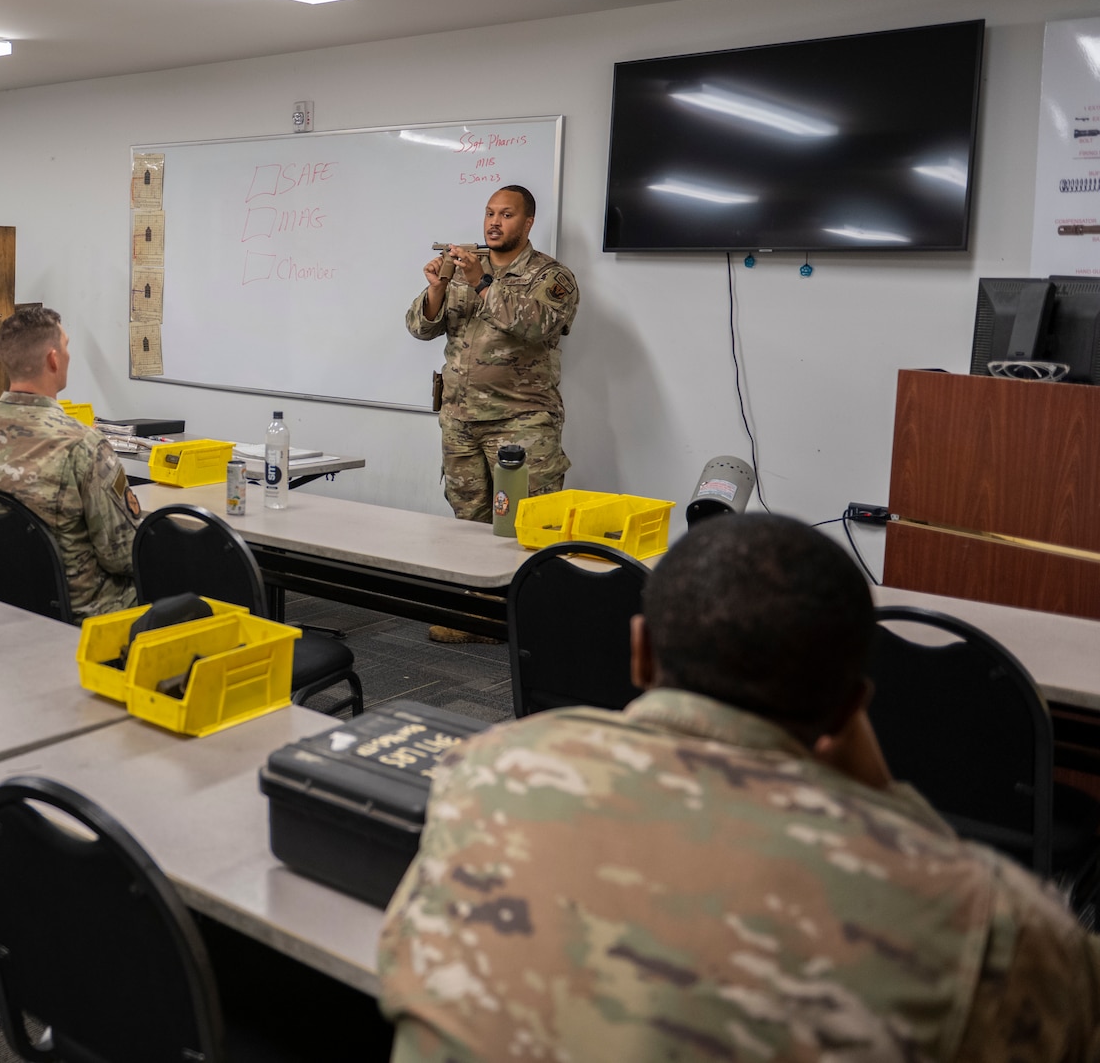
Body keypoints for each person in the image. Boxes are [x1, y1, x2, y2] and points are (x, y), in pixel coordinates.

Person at [377, 514, 1100, 1061]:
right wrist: (887, 803)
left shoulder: (489, 769)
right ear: (856, 704)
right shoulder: (988, 924)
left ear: (639, 651)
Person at [0, 304, 139, 617]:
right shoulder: (83, 446)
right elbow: (122, 555)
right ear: (53, 359)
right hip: (78, 617)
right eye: (66, 347)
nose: (68, 355)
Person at [405, 184, 578, 523]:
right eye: (490, 213)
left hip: (521, 423)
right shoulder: (460, 268)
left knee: (526, 526)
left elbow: (536, 326)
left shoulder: (551, 276)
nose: (494, 222)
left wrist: (481, 282)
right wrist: (437, 288)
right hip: (460, 423)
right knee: (468, 528)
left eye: (506, 215)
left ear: (528, 223)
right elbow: (420, 328)